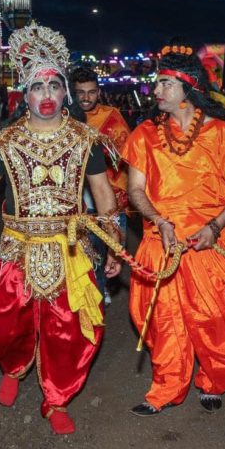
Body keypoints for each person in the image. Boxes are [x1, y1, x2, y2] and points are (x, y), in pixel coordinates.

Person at [0, 23, 121, 435]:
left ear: (66, 94)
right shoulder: (4, 142)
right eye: (38, 88)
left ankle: (56, 398)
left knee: (71, 331)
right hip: (17, 249)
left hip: (71, 251)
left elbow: (106, 198)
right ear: (25, 94)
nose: (46, 96)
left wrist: (114, 247)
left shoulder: (86, 140)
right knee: (3, 324)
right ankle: (14, 365)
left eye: (54, 87)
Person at [125, 40, 225, 416]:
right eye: (157, 82)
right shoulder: (145, 135)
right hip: (160, 243)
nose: (156, 91)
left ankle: (213, 380)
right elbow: (134, 189)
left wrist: (215, 225)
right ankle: (166, 389)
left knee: (220, 318)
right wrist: (157, 219)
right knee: (164, 322)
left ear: (189, 88)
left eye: (165, 83)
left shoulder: (221, 134)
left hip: (208, 245)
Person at [70, 64, 131, 304]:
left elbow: (126, 155)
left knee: (108, 249)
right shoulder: (63, 120)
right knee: (82, 253)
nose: (86, 97)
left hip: (109, 194)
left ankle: (100, 289)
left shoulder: (111, 117)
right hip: (74, 201)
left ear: (99, 92)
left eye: (92, 92)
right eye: (80, 92)